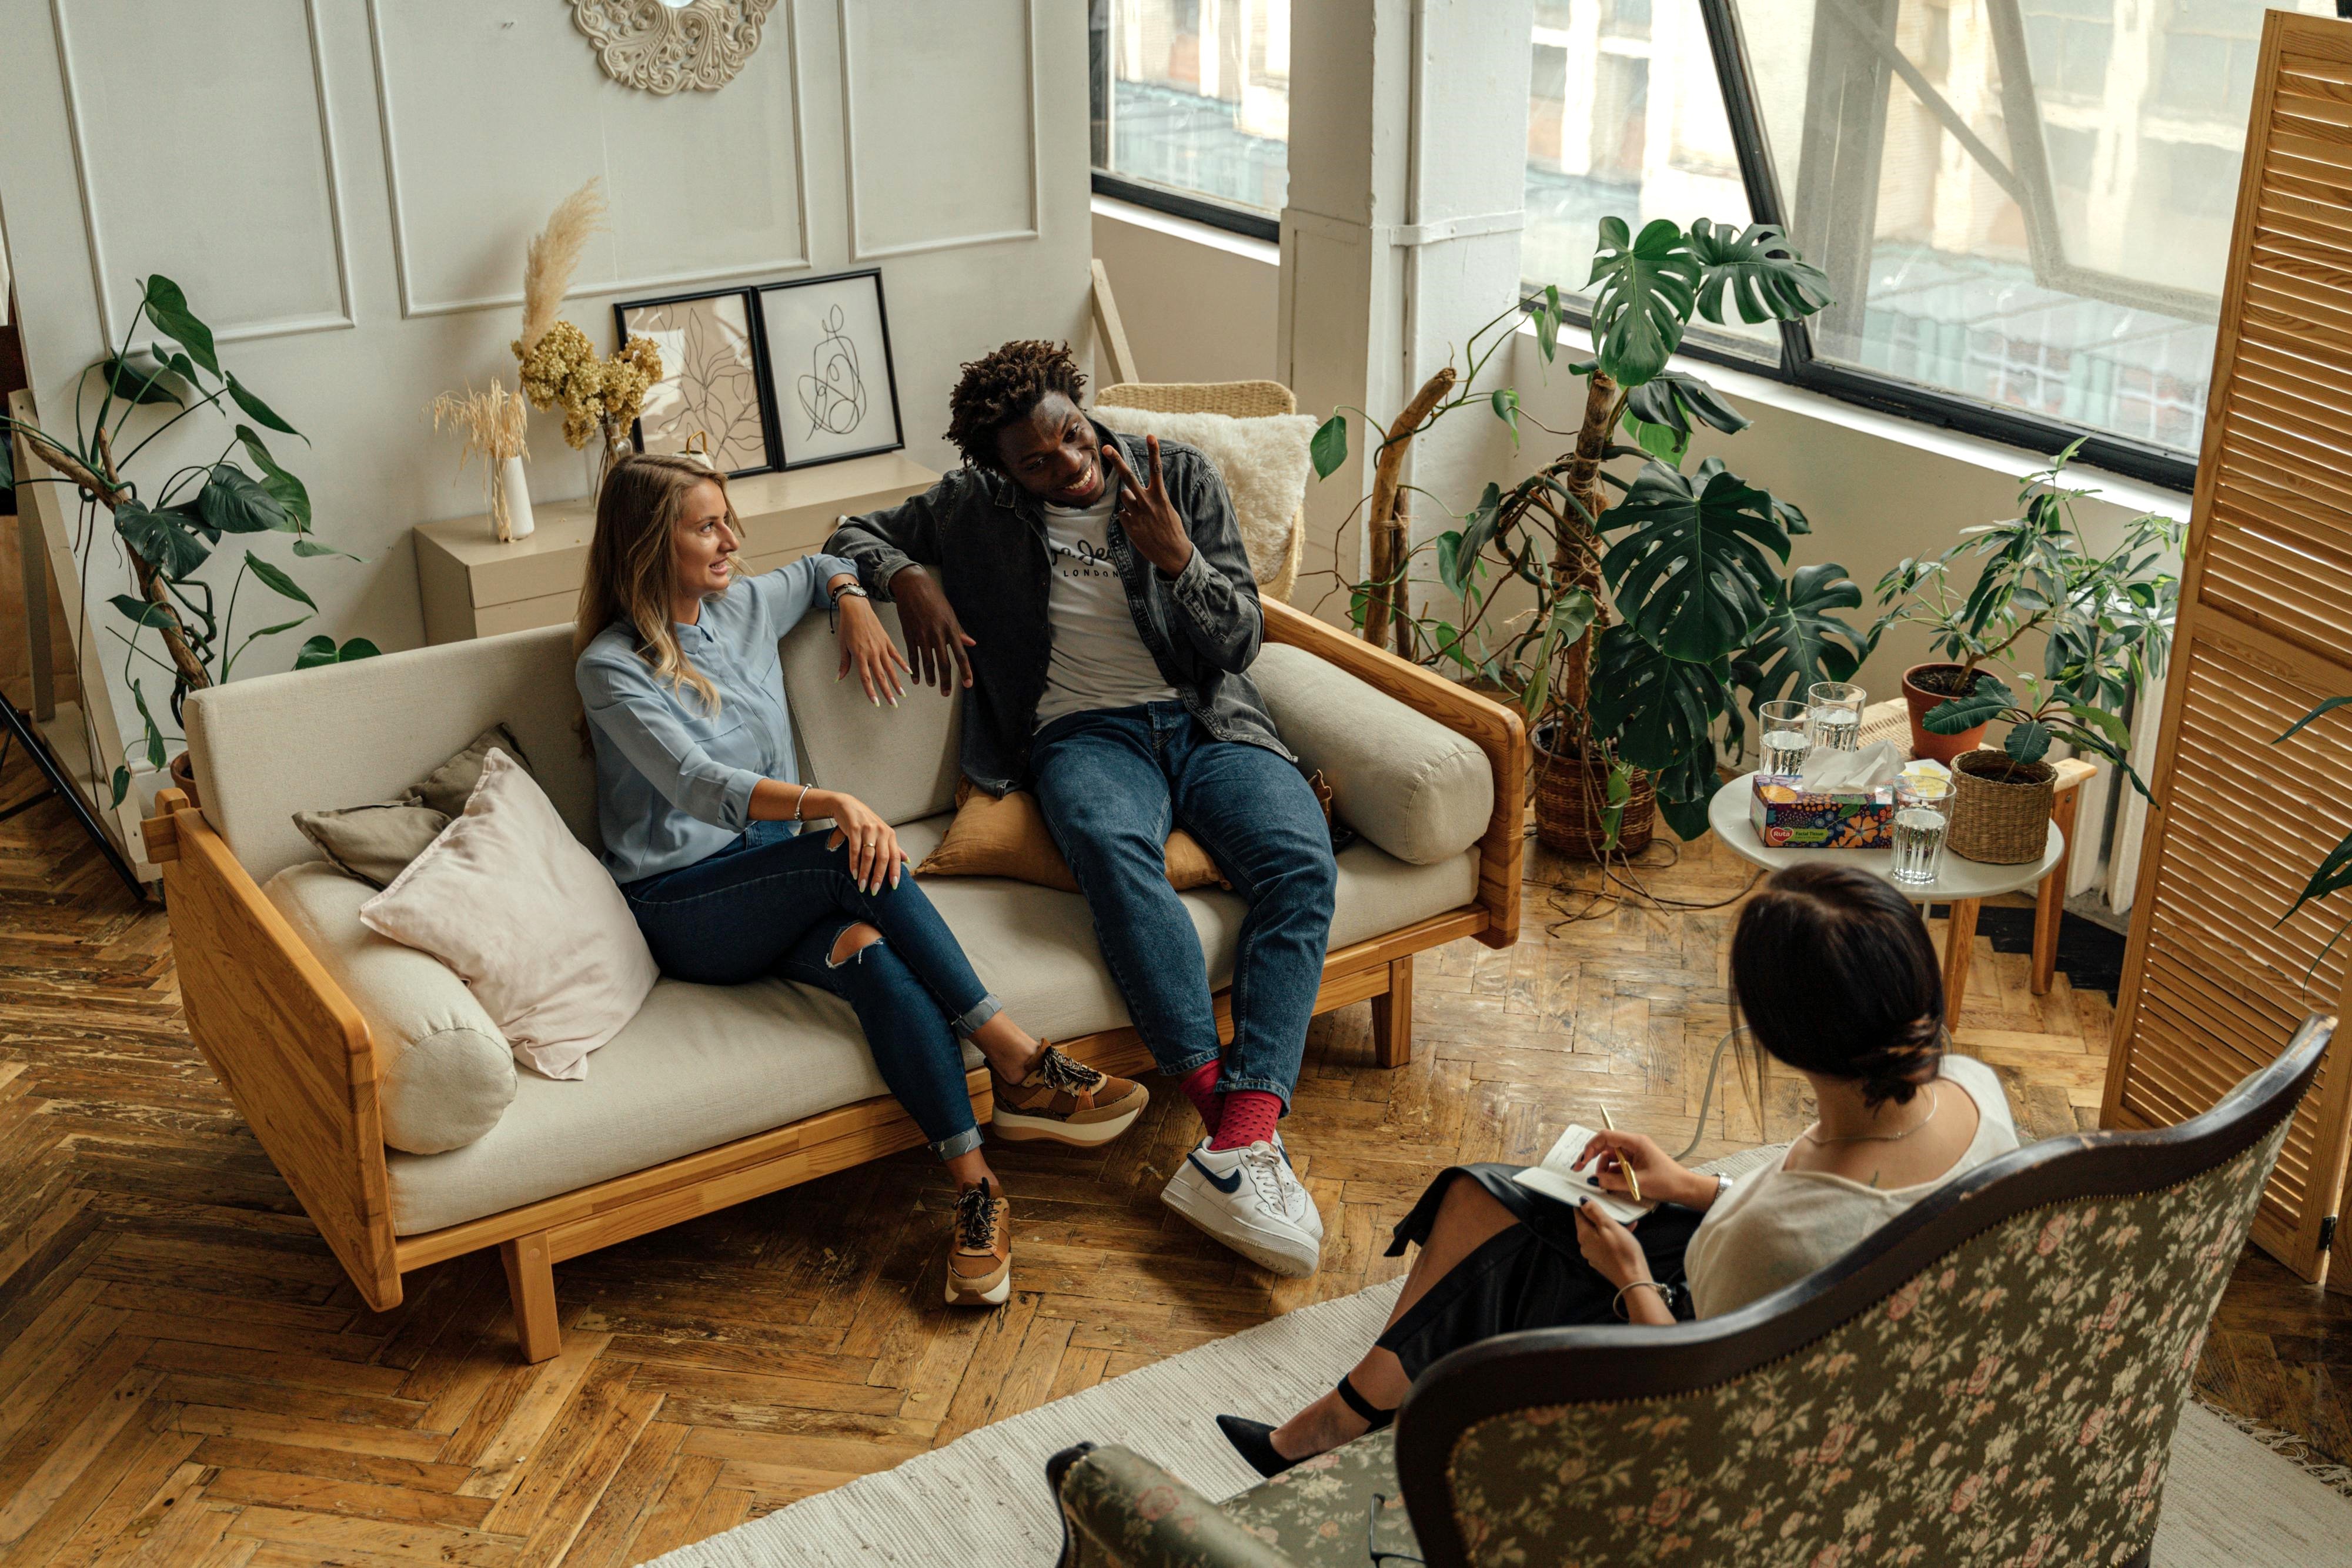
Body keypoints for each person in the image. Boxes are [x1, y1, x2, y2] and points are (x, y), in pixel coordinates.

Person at [1217, 862, 2023, 1475]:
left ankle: (1341, 1421)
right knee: (1488, 1196)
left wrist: (1631, 1277)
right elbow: (1834, 1225)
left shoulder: (1769, 1238)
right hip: (1825, 1326)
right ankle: (1360, 1405)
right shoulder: (1974, 1092)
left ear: (1781, 1035)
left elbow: (1693, 1398)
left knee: (1510, 1235)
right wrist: (1688, 1186)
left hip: (1704, 1374)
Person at [574, 453, 1148, 1308]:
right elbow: (696, 784)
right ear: (652, 545)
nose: (732, 540)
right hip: (688, 905)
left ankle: (977, 1190)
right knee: (847, 849)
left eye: (729, 519)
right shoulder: (610, 667)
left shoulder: (743, 607)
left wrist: (849, 600)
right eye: (707, 527)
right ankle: (1017, 1057)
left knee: (870, 955)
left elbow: (821, 563)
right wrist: (832, 801)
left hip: (782, 887)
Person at [824, 341, 1337, 1278]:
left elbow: (1240, 644)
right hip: (1083, 734)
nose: (1067, 462)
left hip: (1208, 720)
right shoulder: (974, 507)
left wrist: (1178, 559)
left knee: (1303, 866)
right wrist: (903, 580)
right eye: (1036, 461)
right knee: (1111, 851)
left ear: (1081, 405)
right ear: (1002, 473)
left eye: (1070, 433)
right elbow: (849, 530)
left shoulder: (1178, 477)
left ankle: (1240, 1141)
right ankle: (1236, 1134)